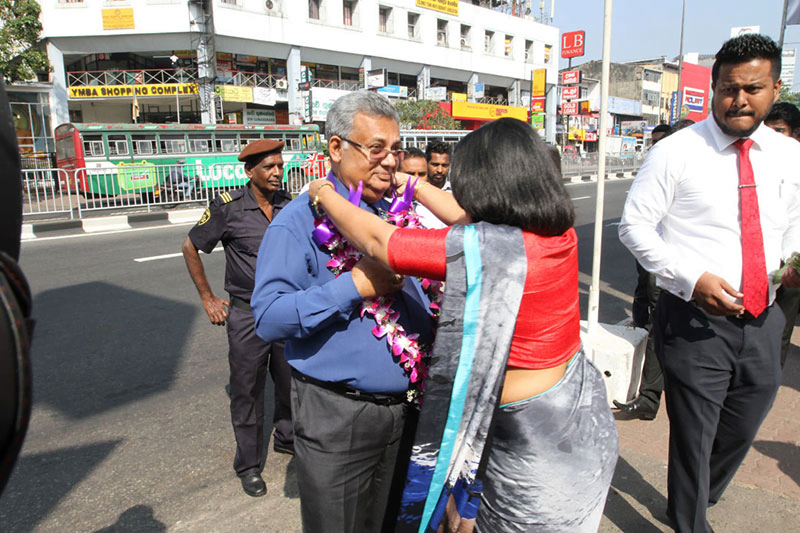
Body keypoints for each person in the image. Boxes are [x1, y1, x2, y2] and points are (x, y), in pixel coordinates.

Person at [307, 117, 618, 532]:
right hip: (578, 415)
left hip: (538, 443)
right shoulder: (552, 230)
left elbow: (382, 243)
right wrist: (413, 185)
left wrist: (324, 192)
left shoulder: (494, 249)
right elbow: (463, 216)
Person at [619, 33, 800, 532]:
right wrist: (691, 279)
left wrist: (791, 263)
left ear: (774, 87)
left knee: (743, 424)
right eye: (728, 88)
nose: (738, 99)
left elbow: (793, 220)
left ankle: (699, 492)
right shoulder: (677, 152)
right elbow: (634, 227)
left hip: (765, 317)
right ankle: (689, 519)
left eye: (753, 88)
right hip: (695, 320)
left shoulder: (788, 155)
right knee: (694, 434)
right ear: (715, 87)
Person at [250, 91, 434, 533]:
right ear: (336, 148)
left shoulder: (395, 217)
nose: (389, 162)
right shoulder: (298, 221)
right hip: (338, 418)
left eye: (396, 151)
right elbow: (269, 316)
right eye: (376, 150)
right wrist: (352, 286)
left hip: (404, 411)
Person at [181, 139, 294, 498]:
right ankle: (248, 465)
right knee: (247, 391)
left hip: (285, 311)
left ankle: (287, 437)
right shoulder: (228, 208)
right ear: (250, 172)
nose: (277, 172)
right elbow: (190, 246)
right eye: (269, 167)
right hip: (247, 316)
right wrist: (207, 298)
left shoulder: (289, 205)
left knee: (291, 381)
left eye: (280, 165)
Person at [766, 102, 800, 367]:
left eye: (780, 131)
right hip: (760, 263)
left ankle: (769, 382)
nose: (773, 138)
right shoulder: (756, 163)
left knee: (781, 330)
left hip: (791, 262)